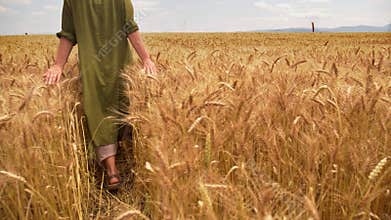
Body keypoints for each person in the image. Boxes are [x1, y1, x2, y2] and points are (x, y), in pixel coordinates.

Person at [43, 0, 157, 190]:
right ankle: (129, 164)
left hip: (92, 67)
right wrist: (146, 58)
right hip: (120, 65)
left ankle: (112, 172)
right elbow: (130, 27)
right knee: (124, 107)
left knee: (98, 113)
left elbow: (68, 34)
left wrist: (59, 65)